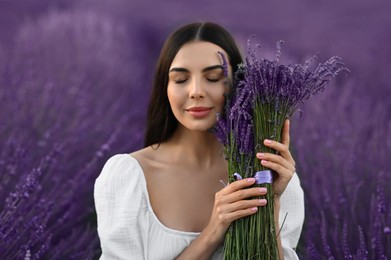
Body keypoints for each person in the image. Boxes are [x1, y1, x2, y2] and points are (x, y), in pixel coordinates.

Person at [94, 22, 305, 260]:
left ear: (239, 85)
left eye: (214, 77)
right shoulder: (128, 177)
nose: (196, 91)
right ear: (166, 88)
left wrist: (272, 201)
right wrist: (214, 230)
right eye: (181, 79)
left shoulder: (269, 175)